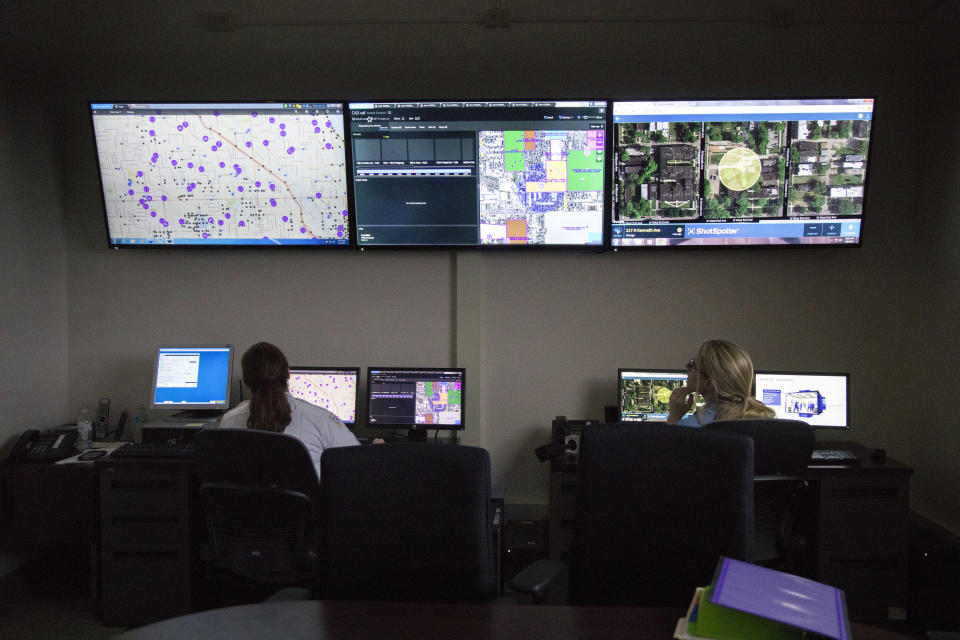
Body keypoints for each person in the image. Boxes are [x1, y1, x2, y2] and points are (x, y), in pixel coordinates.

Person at [219, 342, 367, 478]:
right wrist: (377, 452)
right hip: (305, 507)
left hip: (243, 506)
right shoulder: (322, 420)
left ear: (246, 381)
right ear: (288, 373)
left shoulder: (228, 422)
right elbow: (358, 463)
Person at [666, 339, 775, 427]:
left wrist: (674, 417)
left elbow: (668, 451)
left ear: (709, 383)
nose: (687, 368)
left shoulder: (689, 428)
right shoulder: (765, 419)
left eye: (692, 365)